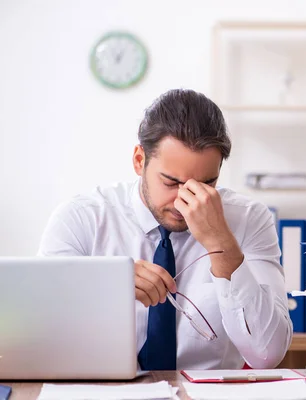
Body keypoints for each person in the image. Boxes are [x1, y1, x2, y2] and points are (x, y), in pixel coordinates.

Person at [38, 89, 293, 370]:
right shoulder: (82, 218)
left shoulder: (248, 219)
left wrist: (221, 243)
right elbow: (38, 335)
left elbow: (267, 354)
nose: (185, 201)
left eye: (206, 184)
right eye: (171, 183)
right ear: (139, 161)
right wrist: (102, 284)